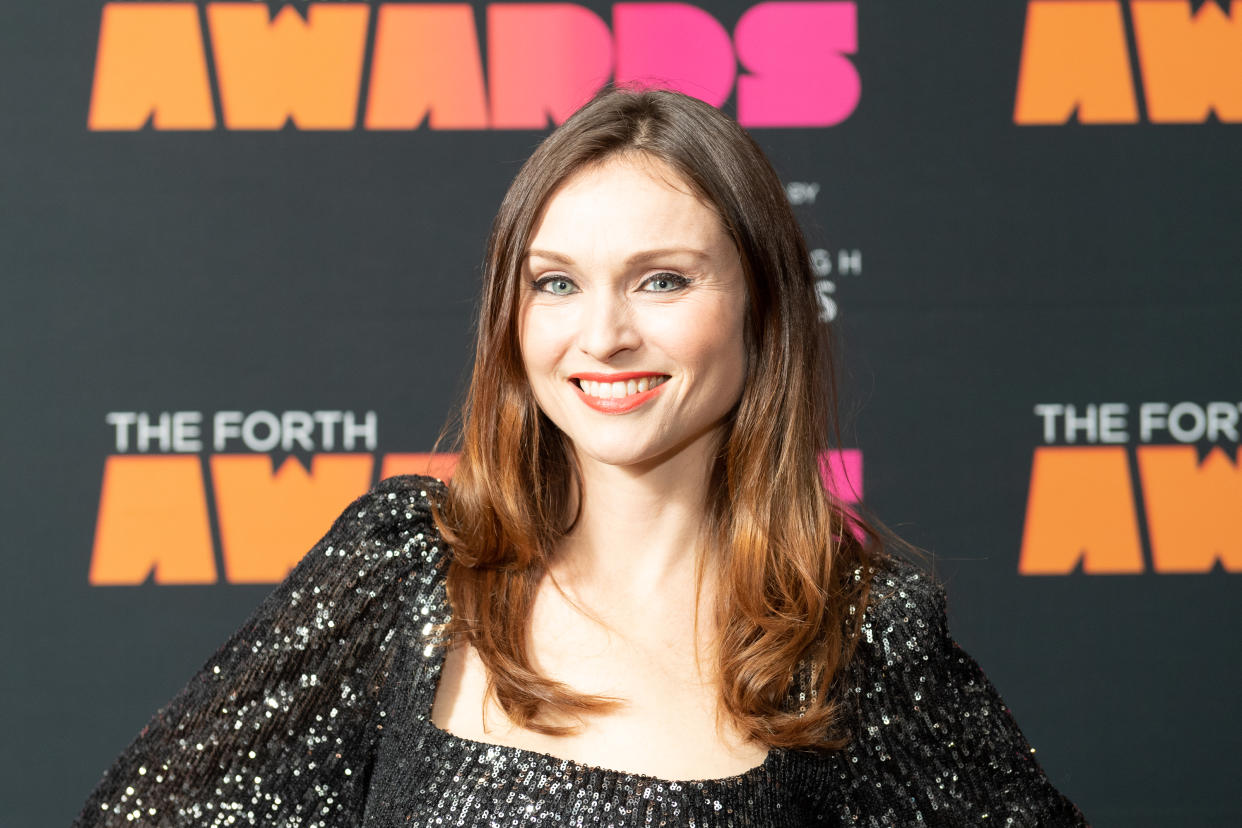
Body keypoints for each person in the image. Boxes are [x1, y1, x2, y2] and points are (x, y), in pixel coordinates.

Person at [76, 86, 1086, 826]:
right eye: (556, 284)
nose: (601, 337)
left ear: (763, 311)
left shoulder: (856, 635)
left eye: (662, 282)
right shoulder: (402, 570)